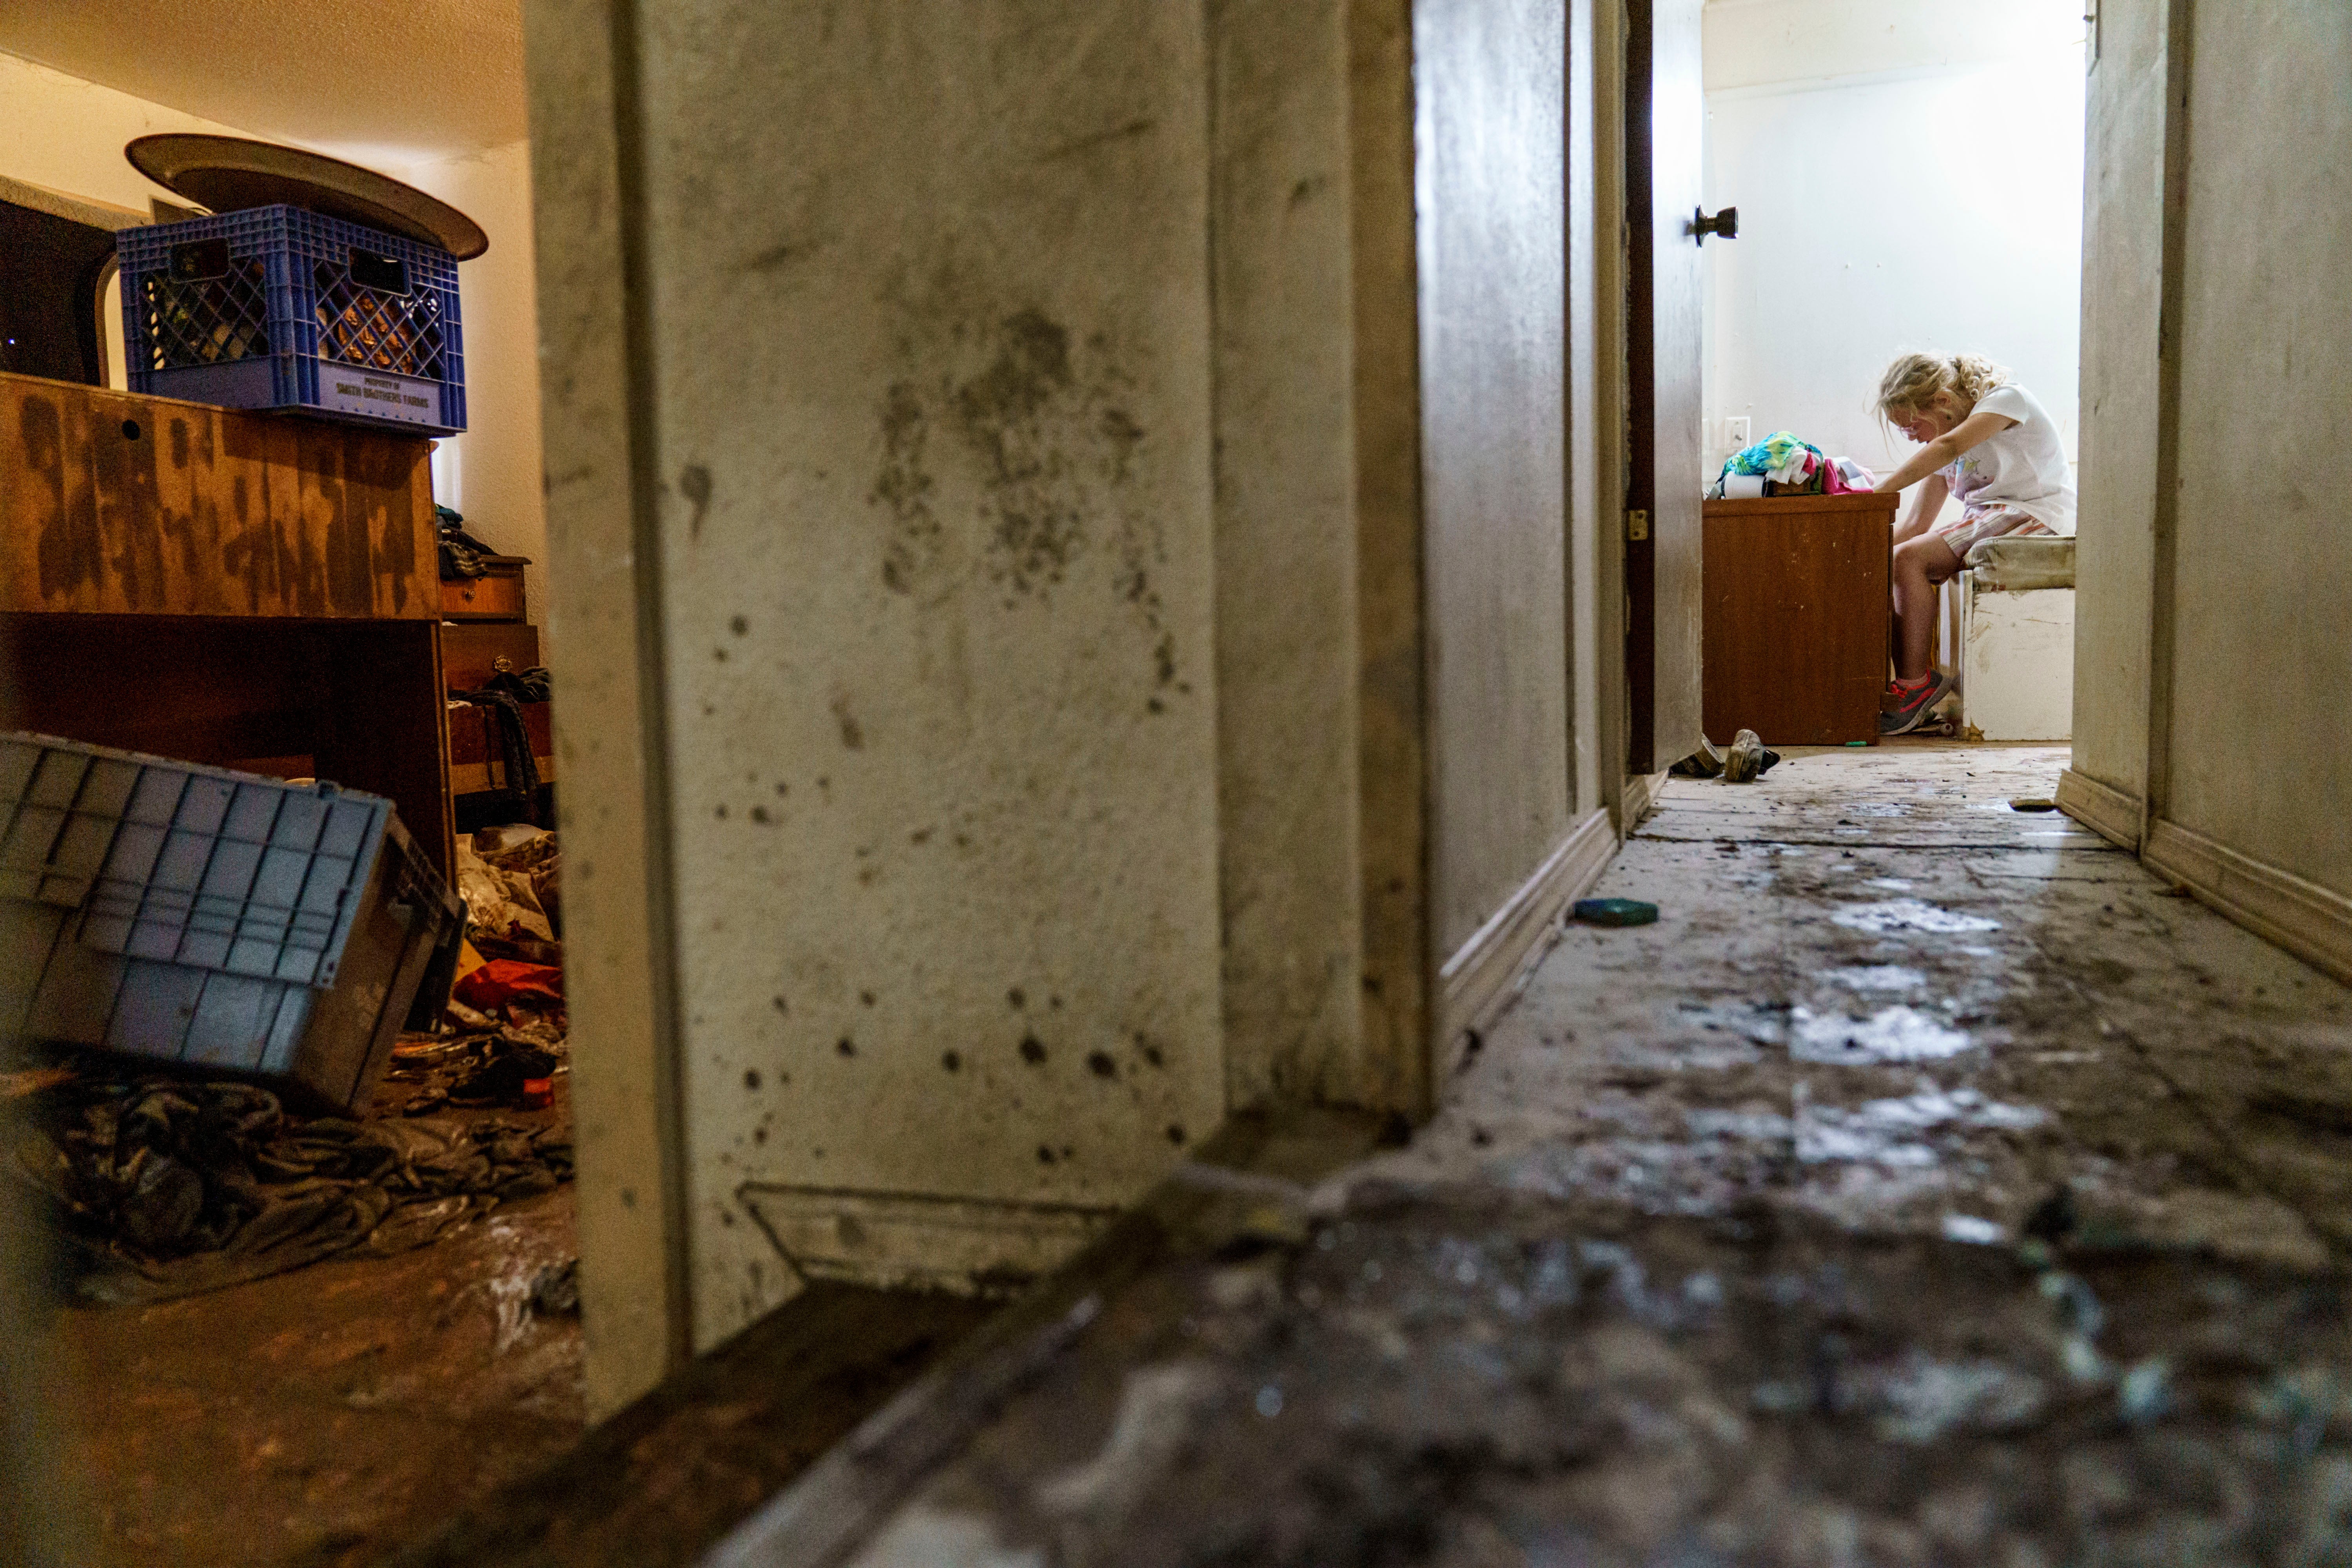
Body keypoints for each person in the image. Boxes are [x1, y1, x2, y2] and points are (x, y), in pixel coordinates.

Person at [1870, 352, 2076, 735]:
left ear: (1945, 402)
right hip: (1991, 516)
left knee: (1908, 560)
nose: (1912, 438)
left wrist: (1876, 493)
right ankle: (1909, 685)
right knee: (1899, 559)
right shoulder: (1946, 450)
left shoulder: (2006, 400)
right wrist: (1864, 550)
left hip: (2037, 512)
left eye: (1913, 426)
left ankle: (1916, 686)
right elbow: (1916, 525)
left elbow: (1947, 447)